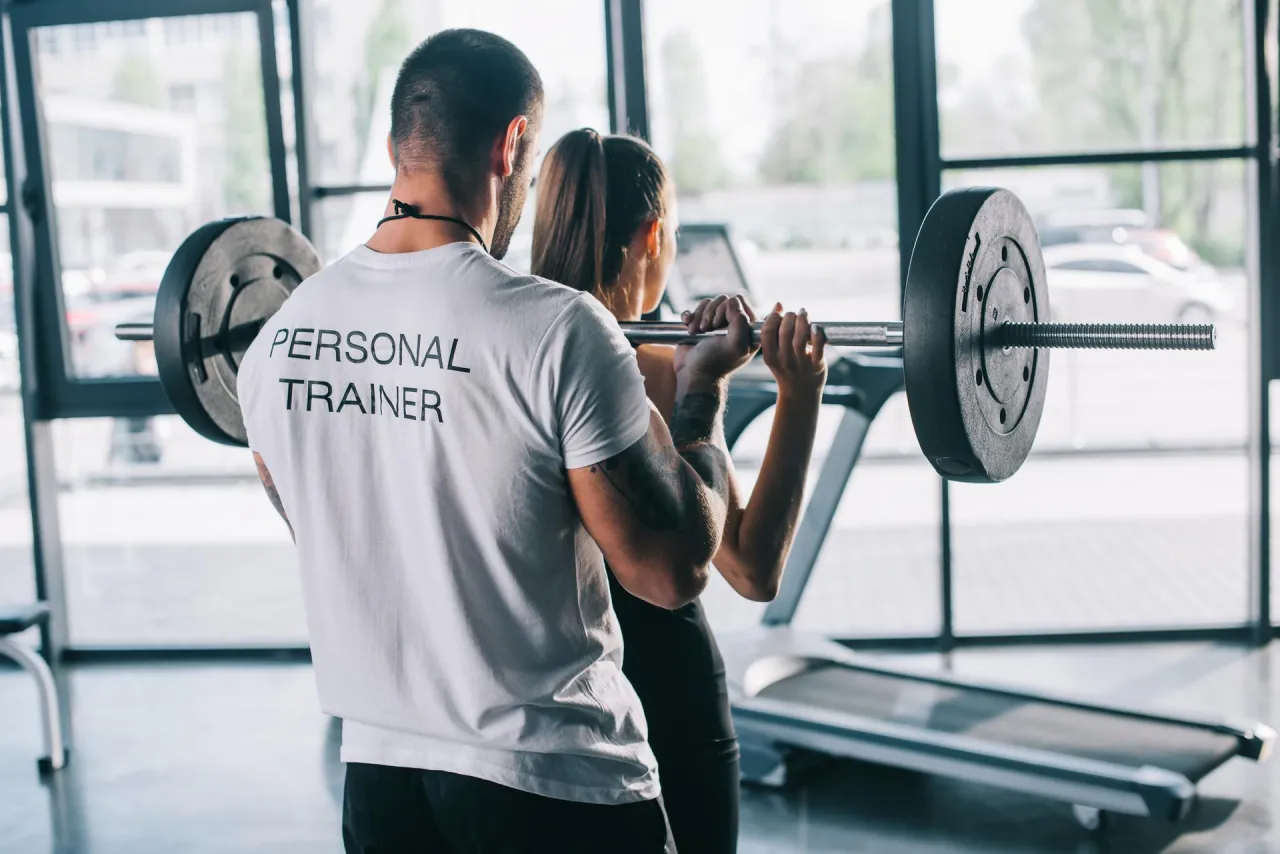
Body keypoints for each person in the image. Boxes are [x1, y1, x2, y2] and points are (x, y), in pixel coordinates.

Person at [235, 29, 761, 854]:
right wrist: (701, 394)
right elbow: (670, 572)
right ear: (513, 143)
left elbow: (334, 529)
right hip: (555, 788)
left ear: (395, 148)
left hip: (381, 790)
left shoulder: (277, 343)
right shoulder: (553, 328)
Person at [531, 129, 829, 854]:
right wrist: (800, 391)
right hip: (670, 697)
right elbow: (752, 568)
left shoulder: (512, 354)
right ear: (652, 234)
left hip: (543, 714)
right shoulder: (665, 373)